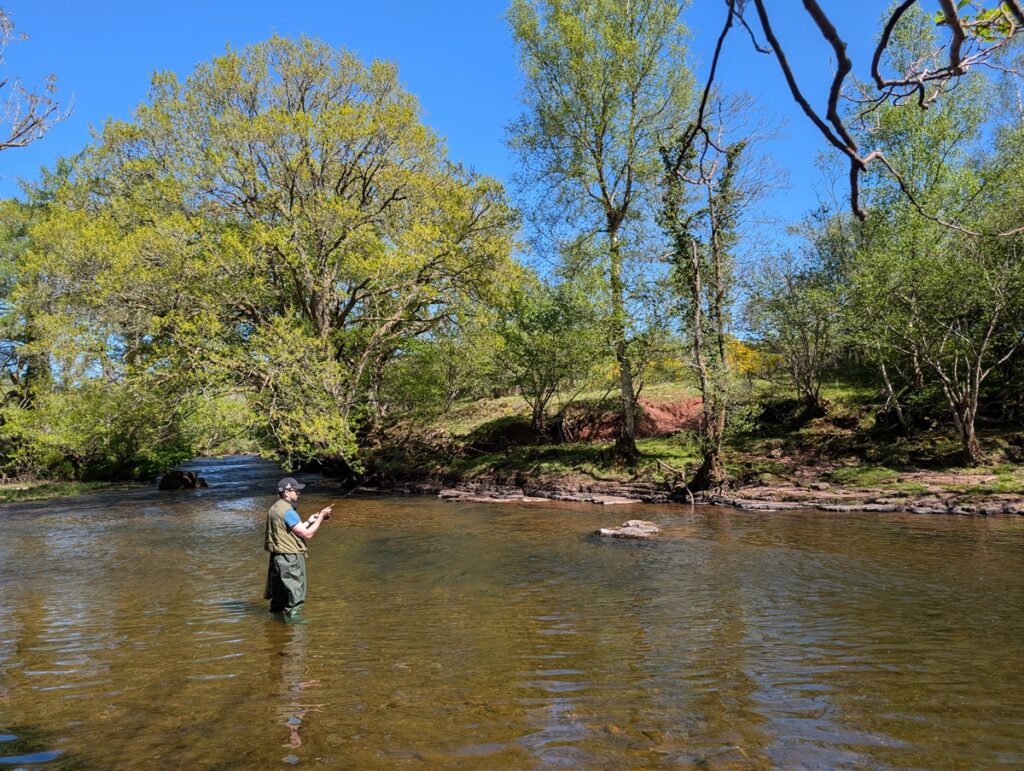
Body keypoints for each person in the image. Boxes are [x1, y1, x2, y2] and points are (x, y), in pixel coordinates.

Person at [264, 477, 333, 620]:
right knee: (295, 592)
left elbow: (291, 530)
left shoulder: (274, 508)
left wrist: (309, 521)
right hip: (290, 558)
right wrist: (321, 518)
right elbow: (307, 534)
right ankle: (295, 628)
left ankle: (275, 625)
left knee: (279, 595)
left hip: (277, 557)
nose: (298, 493)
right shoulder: (289, 511)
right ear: (287, 492)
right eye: (296, 490)